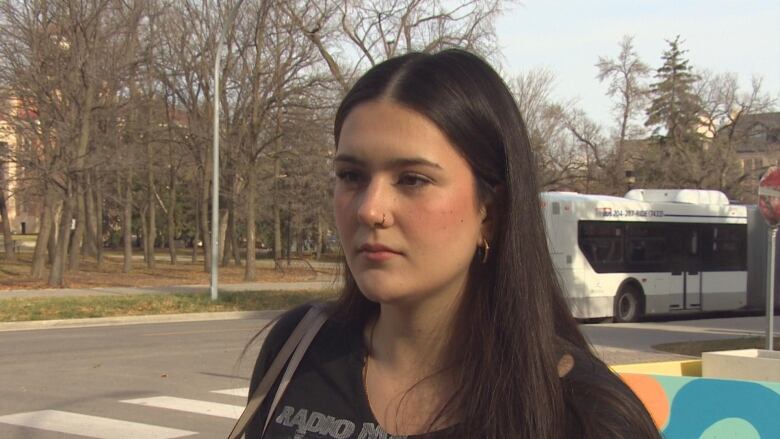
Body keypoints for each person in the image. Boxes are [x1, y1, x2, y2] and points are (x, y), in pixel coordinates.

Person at [244, 49, 660, 439]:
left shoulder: (585, 418)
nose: (370, 210)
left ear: (490, 213)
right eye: (351, 175)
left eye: (412, 179)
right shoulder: (298, 347)